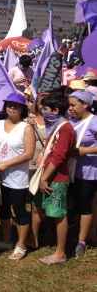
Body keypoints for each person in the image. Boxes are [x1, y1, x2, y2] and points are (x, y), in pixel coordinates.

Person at [31, 92, 75, 265]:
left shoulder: (65, 128)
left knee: (58, 214)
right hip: (49, 175)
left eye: (46, 109)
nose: (43, 111)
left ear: (56, 110)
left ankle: (60, 253)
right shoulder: (57, 126)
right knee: (48, 210)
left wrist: (45, 178)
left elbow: (59, 156)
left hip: (57, 177)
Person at [0, 92, 36, 260]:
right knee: (4, 209)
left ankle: (21, 244)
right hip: (1, 176)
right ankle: (6, 239)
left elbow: (29, 153)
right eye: (9, 105)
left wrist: (6, 164)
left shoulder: (26, 127)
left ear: (22, 109)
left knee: (19, 210)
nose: (11, 108)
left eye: (15, 106)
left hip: (17, 177)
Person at [67, 90, 97, 258]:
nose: (70, 108)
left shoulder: (94, 122)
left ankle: (82, 241)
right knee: (78, 204)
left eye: (73, 105)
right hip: (74, 171)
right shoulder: (72, 122)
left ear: (85, 105)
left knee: (86, 205)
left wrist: (86, 150)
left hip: (90, 172)